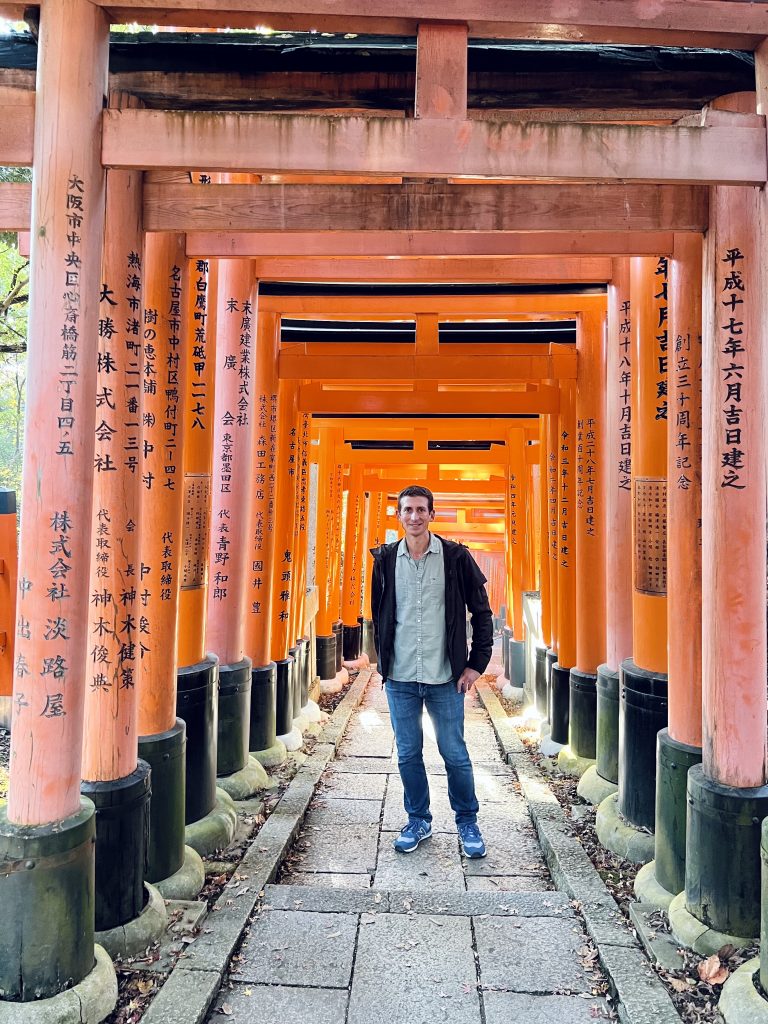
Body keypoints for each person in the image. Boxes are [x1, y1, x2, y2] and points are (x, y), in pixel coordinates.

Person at [370, 485, 493, 859]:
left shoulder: (456, 557)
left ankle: (467, 821)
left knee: (454, 752)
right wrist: (383, 664)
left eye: (421, 509)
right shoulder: (386, 559)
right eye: (407, 510)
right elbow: (380, 614)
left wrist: (476, 665)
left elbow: (482, 613)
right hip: (402, 678)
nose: (414, 516)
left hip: (445, 677)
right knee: (408, 753)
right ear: (398, 515)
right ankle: (418, 819)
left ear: (431, 514)